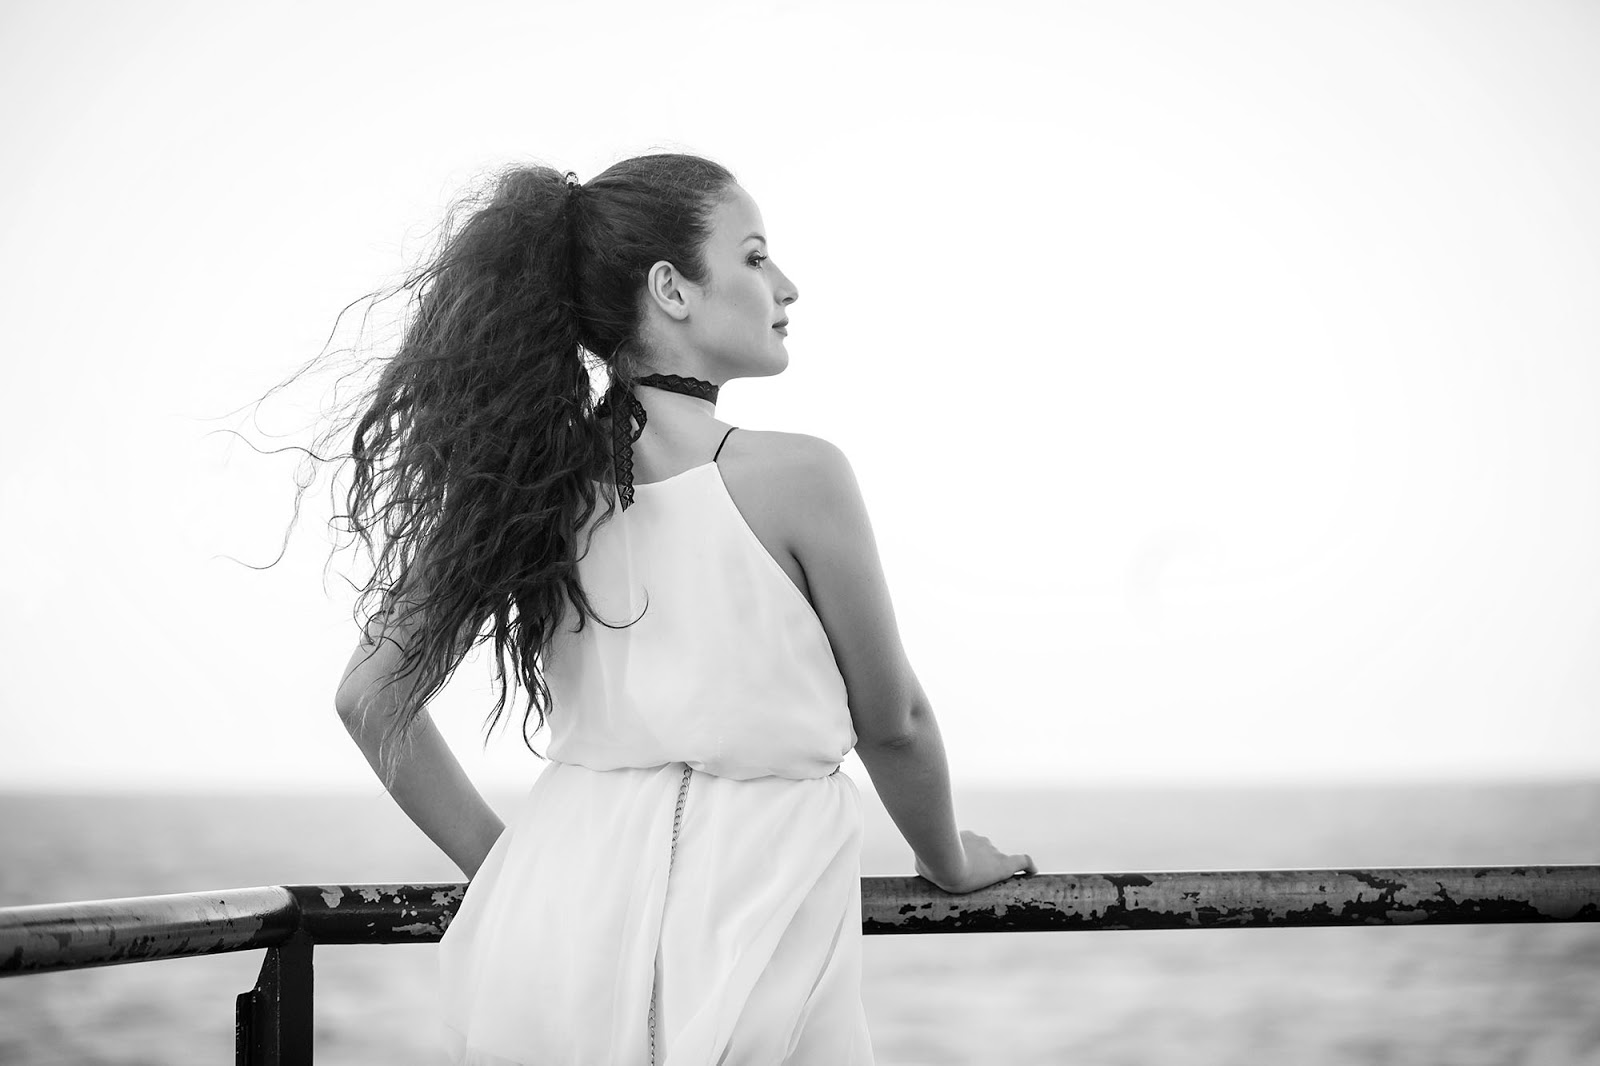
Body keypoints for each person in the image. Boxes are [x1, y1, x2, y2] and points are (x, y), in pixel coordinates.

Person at [328, 152, 1035, 1064]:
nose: (786, 285)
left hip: (555, 921)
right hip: (749, 911)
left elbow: (369, 697)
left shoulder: (526, 485)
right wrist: (950, 861)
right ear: (670, 289)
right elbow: (892, 722)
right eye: (754, 257)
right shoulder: (800, 476)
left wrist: (509, 871)